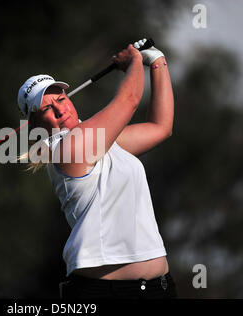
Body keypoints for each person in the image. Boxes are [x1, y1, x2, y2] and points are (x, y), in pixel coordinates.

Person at [17, 39, 176, 299]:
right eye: (46, 108)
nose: (59, 108)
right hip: (105, 292)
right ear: (35, 125)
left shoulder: (101, 142)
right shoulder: (67, 149)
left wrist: (157, 61)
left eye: (61, 98)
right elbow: (129, 99)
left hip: (160, 288)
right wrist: (135, 60)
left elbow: (161, 126)